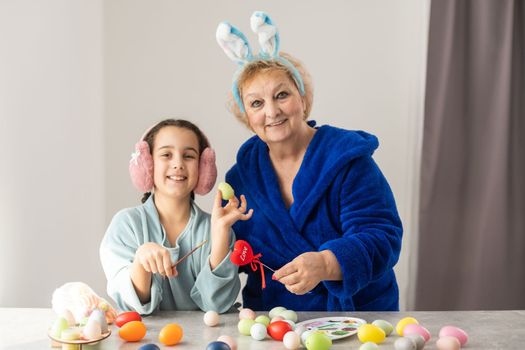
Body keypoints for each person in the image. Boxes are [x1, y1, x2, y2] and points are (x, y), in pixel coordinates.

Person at [216, 12, 403, 311]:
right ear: (246, 117)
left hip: (359, 318)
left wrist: (328, 263)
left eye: (282, 95)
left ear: (302, 98)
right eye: (256, 103)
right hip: (277, 323)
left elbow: (383, 236)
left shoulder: (347, 161)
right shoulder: (241, 180)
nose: (272, 111)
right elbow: (237, 260)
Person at [100, 119, 253, 315]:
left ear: (202, 168)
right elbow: (132, 306)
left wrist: (221, 234)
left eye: (189, 156)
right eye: (166, 154)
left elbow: (216, 306)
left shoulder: (217, 228)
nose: (178, 164)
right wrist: (141, 262)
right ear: (147, 164)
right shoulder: (125, 225)